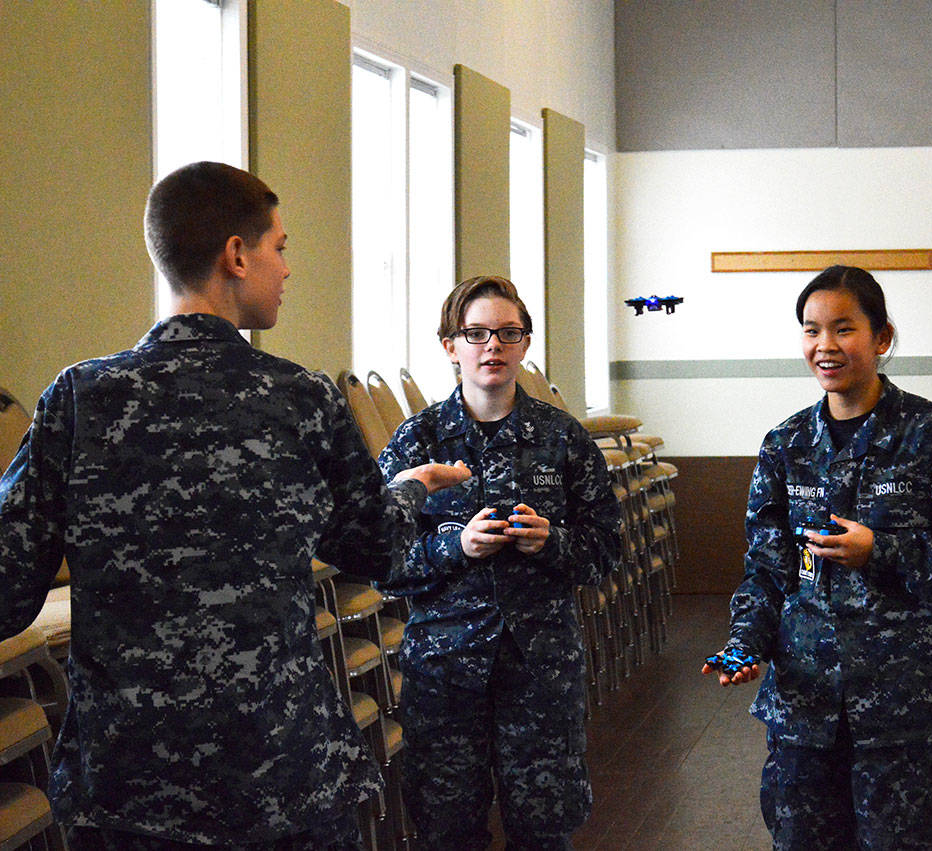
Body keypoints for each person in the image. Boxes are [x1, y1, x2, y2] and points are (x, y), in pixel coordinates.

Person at [0, 161, 471, 849]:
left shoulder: (79, 399)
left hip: (128, 793)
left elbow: (8, 586)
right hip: (279, 778)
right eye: (279, 247)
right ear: (236, 254)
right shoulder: (301, 399)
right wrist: (411, 487)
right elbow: (375, 546)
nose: (287, 268)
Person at [703, 265, 932, 850]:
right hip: (803, 707)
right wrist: (745, 644)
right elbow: (768, 571)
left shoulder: (930, 433)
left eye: (843, 329)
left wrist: (880, 551)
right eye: (811, 330)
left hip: (905, 706)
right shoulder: (785, 445)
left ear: (881, 338)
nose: (825, 346)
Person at [376, 275, 621, 849]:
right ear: (450, 347)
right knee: (446, 830)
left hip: (539, 664)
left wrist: (550, 541)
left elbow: (606, 548)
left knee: (542, 828)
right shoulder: (418, 442)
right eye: (477, 333)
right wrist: (452, 547)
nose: (493, 347)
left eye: (508, 333)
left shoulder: (563, 439)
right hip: (444, 668)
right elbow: (380, 560)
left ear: (526, 344)